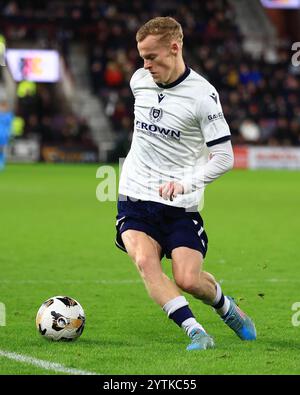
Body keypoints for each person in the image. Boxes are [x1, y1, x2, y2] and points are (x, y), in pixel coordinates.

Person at [115, 16, 256, 350]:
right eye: (142, 57)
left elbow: (224, 157)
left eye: (152, 57)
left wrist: (185, 183)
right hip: (134, 194)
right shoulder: (140, 81)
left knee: (188, 279)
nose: (145, 65)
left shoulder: (203, 96)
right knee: (144, 262)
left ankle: (227, 307)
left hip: (179, 204)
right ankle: (195, 331)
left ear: (175, 48)